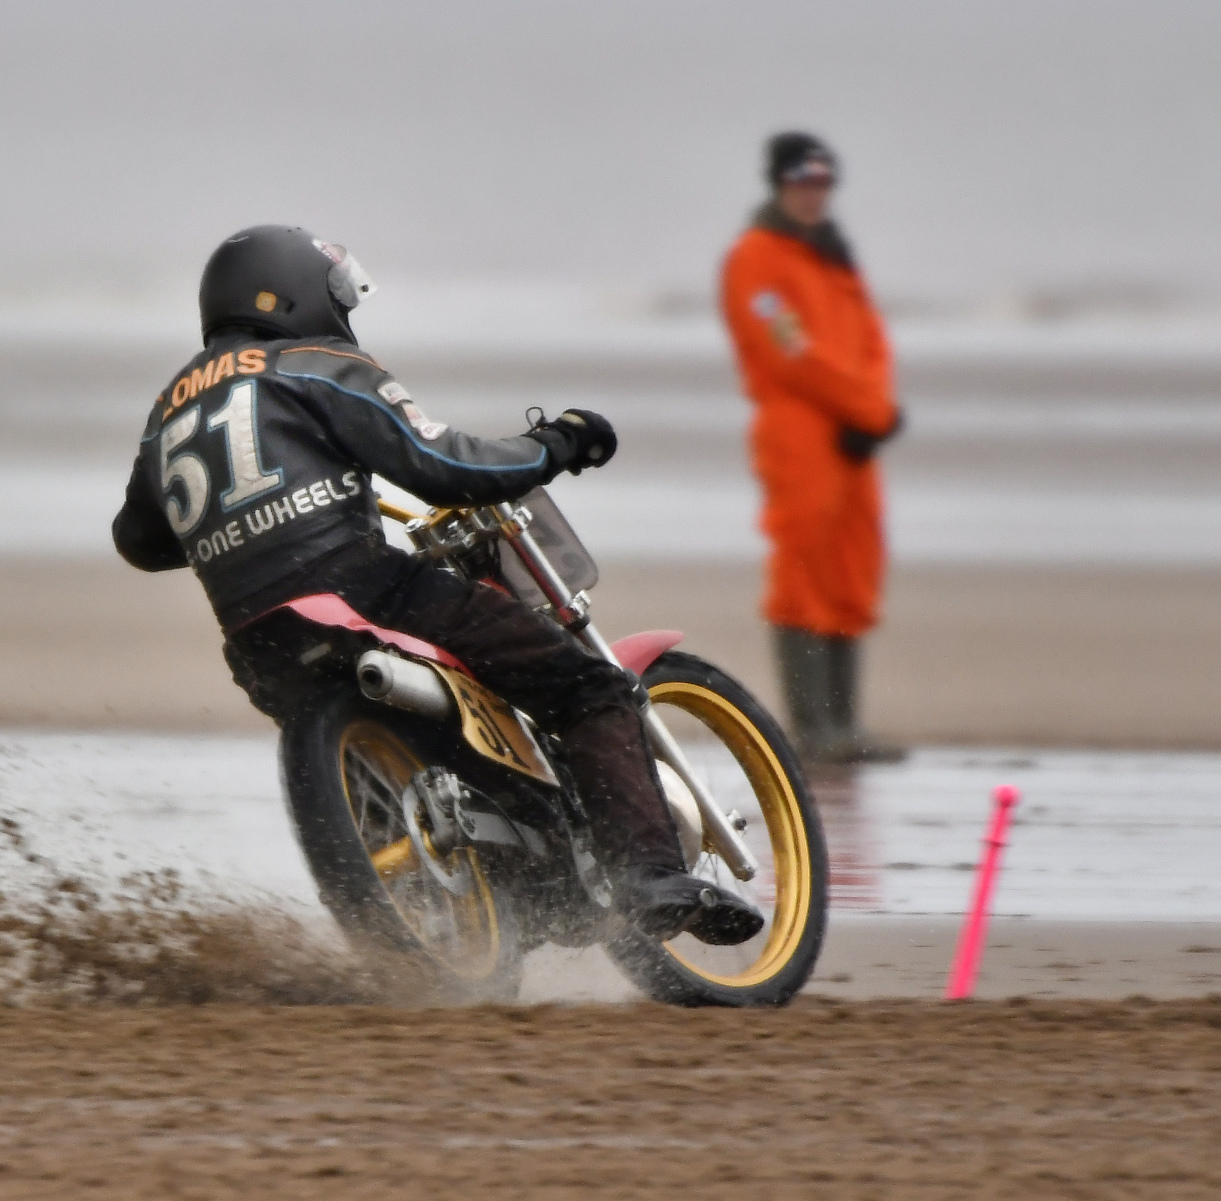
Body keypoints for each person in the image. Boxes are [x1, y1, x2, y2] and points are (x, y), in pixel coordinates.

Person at [112, 226, 762, 946]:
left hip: (256, 638)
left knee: (426, 717)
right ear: (291, 295)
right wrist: (557, 443)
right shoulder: (317, 363)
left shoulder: (168, 411)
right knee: (591, 689)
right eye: (337, 300)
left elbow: (138, 539)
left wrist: (243, 530)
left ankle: (490, 879)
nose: (344, 315)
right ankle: (651, 878)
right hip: (360, 589)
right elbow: (447, 465)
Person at [720, 131, 907, 765]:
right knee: (803, 568)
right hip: (798, 427)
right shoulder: (757, 257)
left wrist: (875, 410)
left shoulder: (833, 256)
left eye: (823, 183)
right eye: (803, 182)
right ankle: (812, 726)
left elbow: (871, 340)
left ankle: (846, 724)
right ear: (780, 184)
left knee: (852, 565)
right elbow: (790, 351)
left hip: (854, 435)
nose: (813, 194)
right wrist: (866, 407)